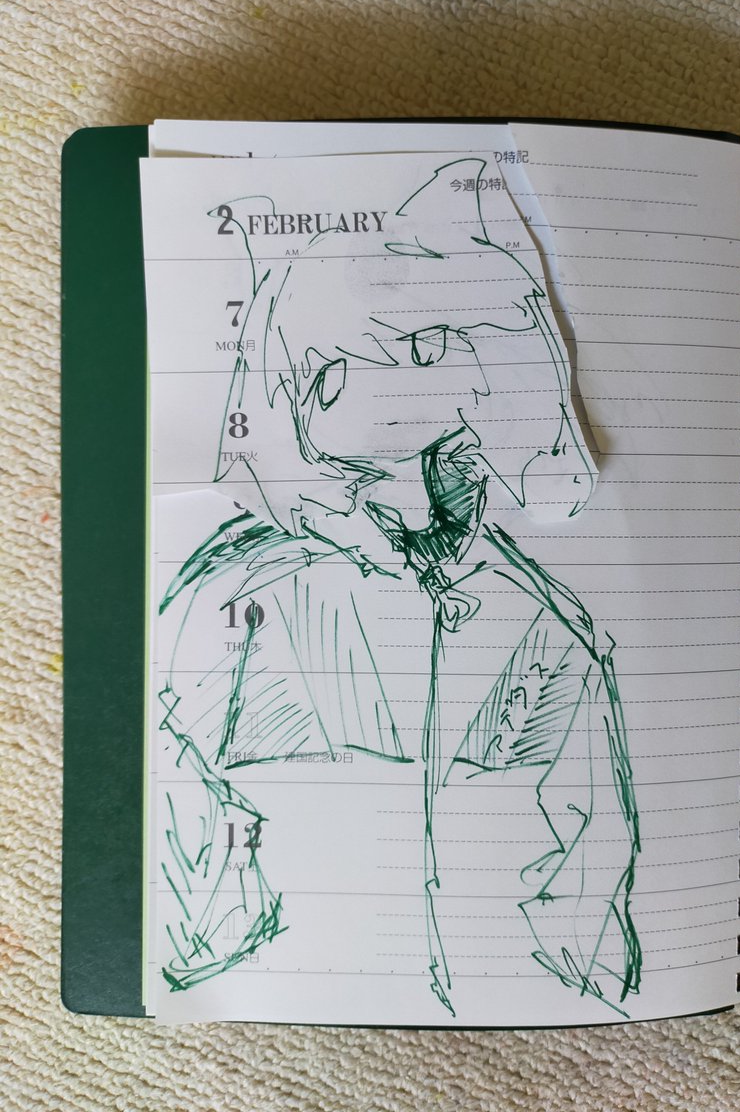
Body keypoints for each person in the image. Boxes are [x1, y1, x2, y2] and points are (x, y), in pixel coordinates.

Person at [155, 159, 641, 1018]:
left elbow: (590, 859)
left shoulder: (543, 624)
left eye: (452, 458)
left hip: (502, 1010)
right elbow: (168, 794)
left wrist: (583, 981)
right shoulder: (241, 596)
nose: (422, 500)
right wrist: (227, 931)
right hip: (279, 1001)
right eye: (421, 347)